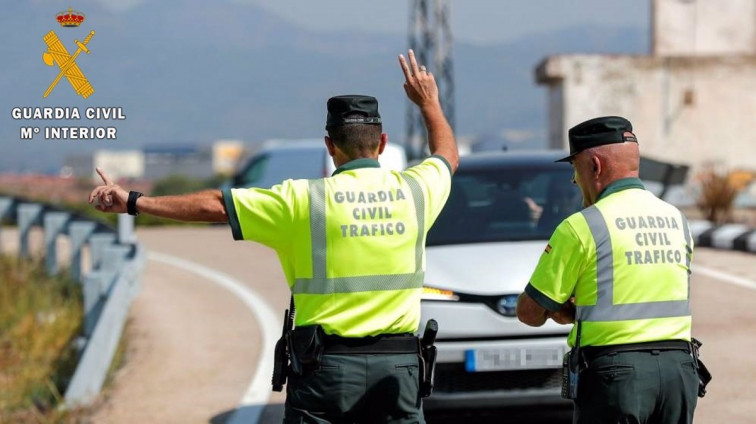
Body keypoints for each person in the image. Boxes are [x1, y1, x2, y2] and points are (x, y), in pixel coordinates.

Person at [89, 49, 458, 424]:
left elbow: (216, 205)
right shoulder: (417, 191)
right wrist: (429, 102)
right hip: (397, 370)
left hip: (325, 371)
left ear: (330, 146)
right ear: (381, 143)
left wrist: (135, 201)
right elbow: (446, 155)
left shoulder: (301, 200)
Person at [515, 116, 701, 423]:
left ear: (595, 167)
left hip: (617, 375)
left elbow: (530, 312)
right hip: (678, 372)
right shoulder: (676, 219)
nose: (575, 180)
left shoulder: (582, 226)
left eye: (575, 169)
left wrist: (567, 311)